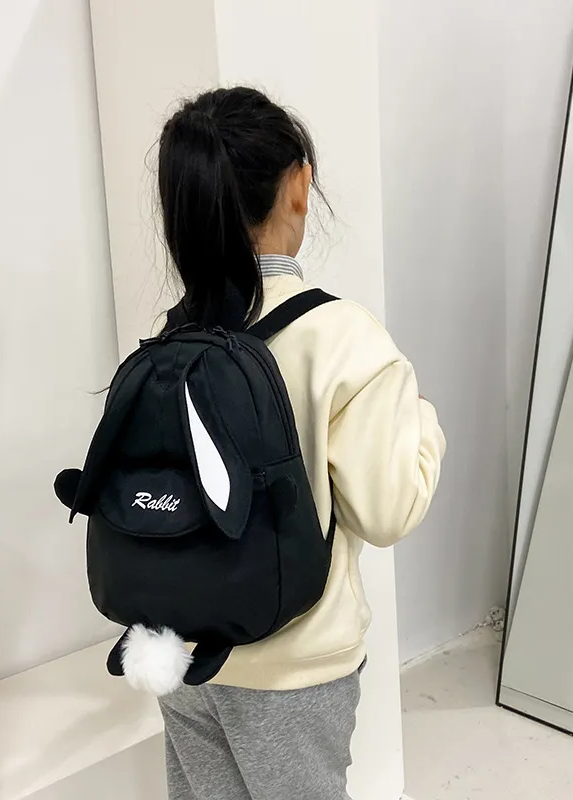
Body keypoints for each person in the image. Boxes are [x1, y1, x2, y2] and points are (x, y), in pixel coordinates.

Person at [153, 87, 446, 800]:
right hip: (292, 666)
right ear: (298, 186)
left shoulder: (174, 334)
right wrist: (425, 423)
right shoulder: (341, 336)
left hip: (181, 652)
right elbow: (387, 512)